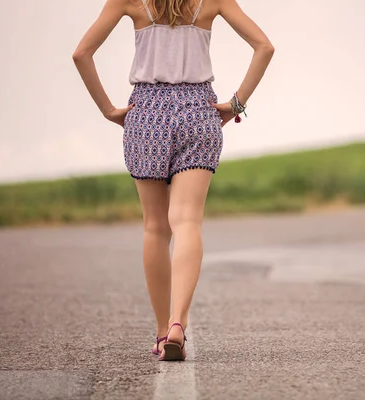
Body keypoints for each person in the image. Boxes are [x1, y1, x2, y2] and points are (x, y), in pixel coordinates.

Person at [72, 0, 274, 361]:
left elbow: (81, 54)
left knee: (155, 228)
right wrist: (236, 104)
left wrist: (108, 110)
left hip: (145, 112)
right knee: (187, 221)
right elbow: (264, 46)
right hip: (199, 111)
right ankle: (179, 323)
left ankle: (162, 329)